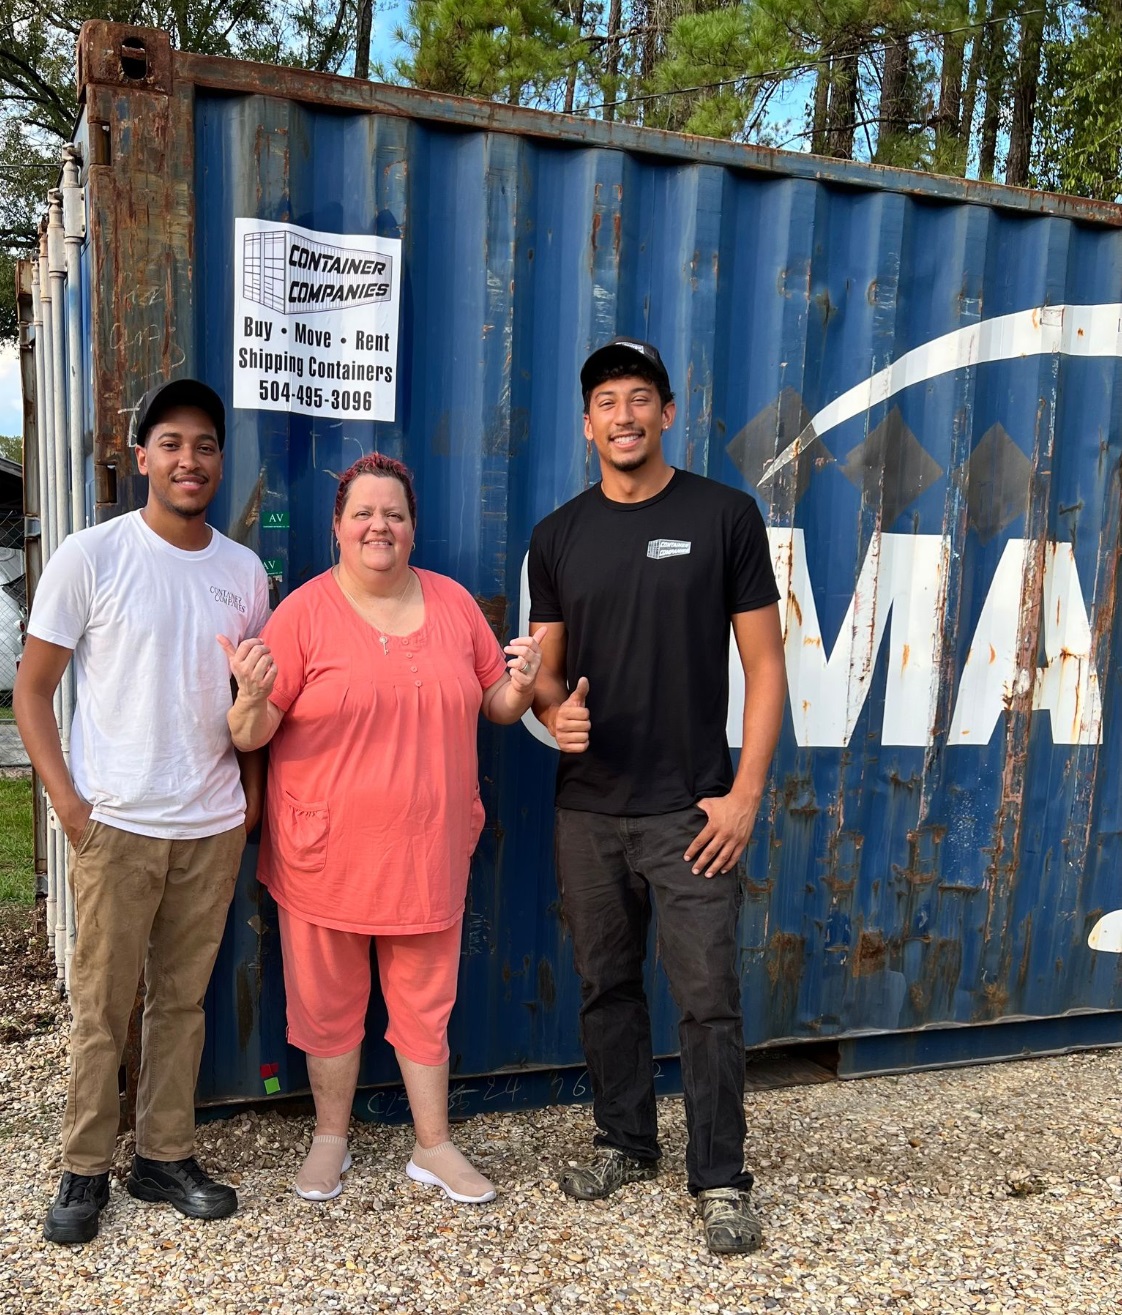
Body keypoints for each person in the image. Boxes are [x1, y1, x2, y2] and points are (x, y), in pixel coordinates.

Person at [224, 451, 546, 1206]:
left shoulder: (455, 605)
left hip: (427, 854)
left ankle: (433, 1145)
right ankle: (329, 1139)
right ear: (337, 526)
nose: (380, 525)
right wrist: (247, 697)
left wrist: (524, 687)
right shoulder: (302, 611)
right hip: (324, 857)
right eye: (364, 512)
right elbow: (253, 732)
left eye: (394, 514)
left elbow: (494, 703)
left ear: (413, 527)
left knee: (425, 1003)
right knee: (327, 1006)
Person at [528, 337, 787, 1255]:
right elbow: (545, 679)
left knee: (708, 995)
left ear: (668, 413)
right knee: (607, 987)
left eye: (641, 397)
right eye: (607, 400)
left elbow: (765, 665)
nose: (624, 415)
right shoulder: (557, 535)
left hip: (691, 810)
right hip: (588, 809)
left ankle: (720, 1178)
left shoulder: (724, 516)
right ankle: (624, 1139)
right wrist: (554, 715)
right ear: (586, 422)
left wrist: (744, 795)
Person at [15, 378, 270, 1245]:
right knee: (101, 1003)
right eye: (171, 443)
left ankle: (163, 1153)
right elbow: (33, 690)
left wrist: (248, 808)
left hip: (209, 824)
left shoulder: (243, 572)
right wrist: (69, 805)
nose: (188, 459)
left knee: (181, 1003)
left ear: (219, 459)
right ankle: (84, 1167)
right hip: (116, 825)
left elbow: (252, 707)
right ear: (141, 456)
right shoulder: (92, 555)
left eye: (204, 444)